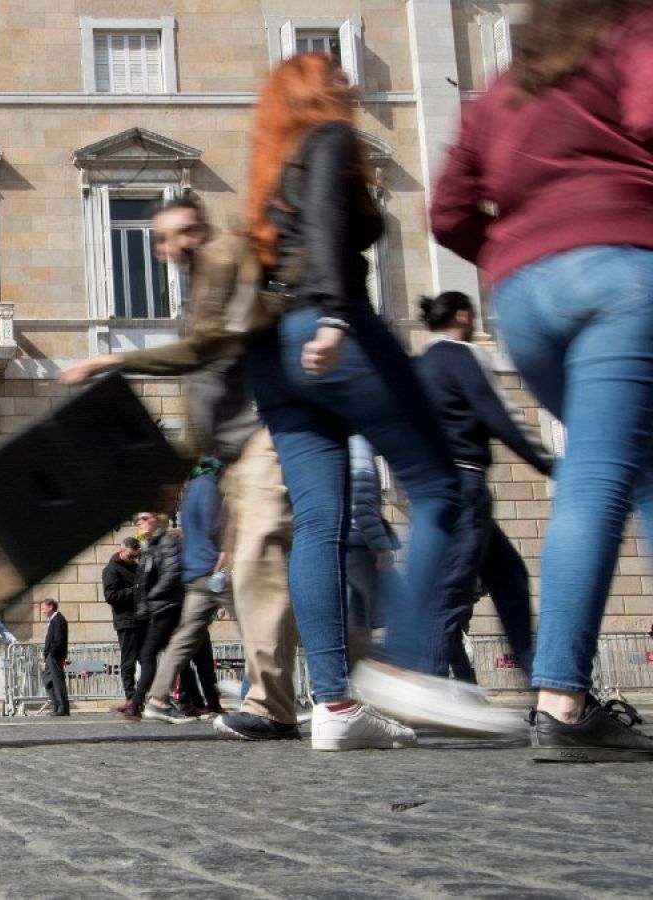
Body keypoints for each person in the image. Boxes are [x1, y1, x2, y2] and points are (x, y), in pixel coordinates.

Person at [242, 53, 510, 750]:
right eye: (339, 80)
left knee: (321, 523)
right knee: (441, 485)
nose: (351, 89)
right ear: (324, 95)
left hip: (271, 357)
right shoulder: (328, 140)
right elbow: (332, 225)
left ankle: (334, 708)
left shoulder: (269, 174)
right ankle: (411, 666)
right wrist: (333, 314)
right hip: (330, 327)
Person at [430, 0, 653, 761]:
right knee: (600, 478)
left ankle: (561, 692)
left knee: (635, 468)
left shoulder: (504, 87)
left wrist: (510, 247)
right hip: (621, 267)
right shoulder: (636, 30)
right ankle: (560, 698)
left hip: (524, 298)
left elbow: (448, 208)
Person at [60, 196, 302, 740]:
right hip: (234, 456)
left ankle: (332, 684)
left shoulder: (224, 260)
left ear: (201, 229)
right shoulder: (199, 290)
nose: (176, 247)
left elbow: (201, 352)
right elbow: (203, 397)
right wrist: (180, 472)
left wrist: (111, 359)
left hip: (269, 433)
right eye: (166, 239)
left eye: (184, 232)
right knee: (253, 581)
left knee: (261, 567)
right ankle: (312, 690)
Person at [413, 291, 554, 681]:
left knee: (509, 574)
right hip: (465, 483)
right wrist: (548, 463)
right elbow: (500, 415)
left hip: (439, 483)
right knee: (453, 586)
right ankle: (430, 683)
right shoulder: (461, 355)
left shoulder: (420, 364)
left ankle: (538, 676)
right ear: (463, 314)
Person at [141, 462, 230, 724]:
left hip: (193, 577)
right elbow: (219, 530)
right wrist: (223, 562)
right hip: (214, 572)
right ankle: (271, 699)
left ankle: (157, 699)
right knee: (261, 628)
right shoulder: (212, 488)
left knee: (182, 641)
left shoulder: (189, 492)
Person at [344, 436, 404, 658]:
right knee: (405, 610)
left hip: (346, 544)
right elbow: (363, 503)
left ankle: (356, 671)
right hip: (360, 544)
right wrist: (380, 545)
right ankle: (384, 668)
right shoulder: (358, 443)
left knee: (358, 616)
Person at [123, 512, 184, 722]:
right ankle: (189, 700)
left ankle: (137, 704)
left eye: (145, 518)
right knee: (174, 655)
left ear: (158, 520)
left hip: (167, 607)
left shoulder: (166, 542)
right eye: (138, 519)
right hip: (157, 608)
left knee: (148, 654)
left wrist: (150, 598)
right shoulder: (149, 546)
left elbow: (171, 574)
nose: (139, 522)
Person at [101, 537, 144, 710]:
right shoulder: (111, 570)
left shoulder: (135, 566)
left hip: (142, 619)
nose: (133, 559)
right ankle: (131, 697)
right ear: (122, 550)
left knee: (148, 660)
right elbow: (111, 597)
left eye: (136, 556)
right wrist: (135, 591)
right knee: (128, 661)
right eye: (130, 556)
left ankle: (146, 696)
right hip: (126, 621)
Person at [40, 599, 69, 716]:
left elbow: (58, 639)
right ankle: (56, 705)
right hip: (50, 656)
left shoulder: (58, 620)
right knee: (48, 680)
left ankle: (63, 708)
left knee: (57, 682)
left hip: (55, 656)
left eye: (43, 608)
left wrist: (51, 654)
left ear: (51, 607)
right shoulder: (53, 620)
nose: (42, 611)